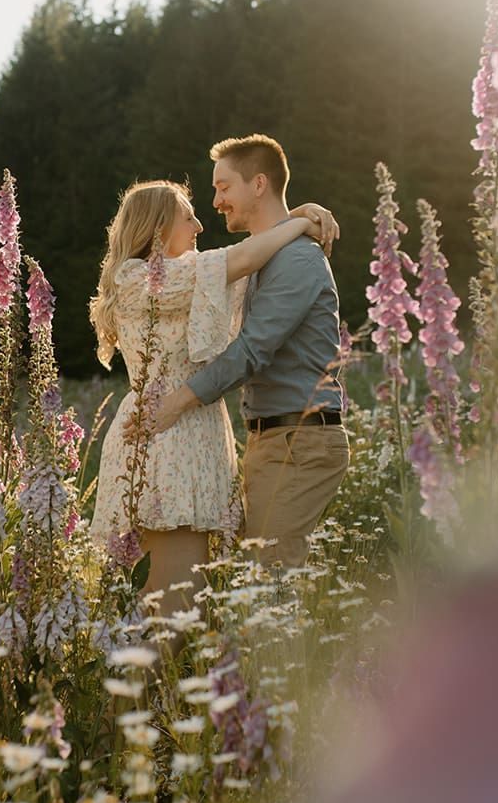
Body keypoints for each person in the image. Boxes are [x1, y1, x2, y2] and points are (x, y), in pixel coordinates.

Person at [87, 178, 338, 617]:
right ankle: (131, 681)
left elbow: (242, 264)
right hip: (167, 434)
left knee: (186, 603)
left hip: (189, 431)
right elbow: (241, 258)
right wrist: (298, 221)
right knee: (179, 605)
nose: (201, 225)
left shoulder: (187, 278)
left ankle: (148, 684)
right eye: (189, 217)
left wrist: (295, 217)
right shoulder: (139, 277)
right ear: (159, 226)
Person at [152, 134, 349, 569]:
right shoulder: (265, 257)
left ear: (258, 184)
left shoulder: (297, 260)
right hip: (272, 440)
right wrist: (300, 215)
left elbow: (251, 351)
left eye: (224, 187)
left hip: (300, 442)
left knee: (273, 584)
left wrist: (179, 402)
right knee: (261, 583)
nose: (216, 201)